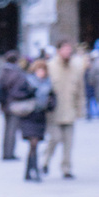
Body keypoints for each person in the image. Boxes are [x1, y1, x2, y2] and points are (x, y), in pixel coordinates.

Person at [44, 40, 86, 178]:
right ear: (58, 50)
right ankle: (45, 161)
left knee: (69, 142)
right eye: (65, 49)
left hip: (70, 110)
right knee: (54, 138)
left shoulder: (77, 67)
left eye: (69, 49)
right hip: (53, 111)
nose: (67, 52)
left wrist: (80, 109)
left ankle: (66, 168)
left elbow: (80, 90)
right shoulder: (50, 66)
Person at [10, 59, 56, 181]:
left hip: (40, 116)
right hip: (28, 116)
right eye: (39, 70)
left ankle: (28, 171)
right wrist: (30, 93)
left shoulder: (48, 83)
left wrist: (51, 104)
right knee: (33, 143)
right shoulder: (27, 81)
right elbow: (16, 94)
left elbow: (52, 98)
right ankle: (35, 170)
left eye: (43, 70)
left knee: (34, 145)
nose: (41, 73)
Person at [0, 51, 27, 160]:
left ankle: (5, 152)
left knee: (7, 129)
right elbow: (19, 89)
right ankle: (9, 153)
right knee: (12, 130)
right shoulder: (16, 73)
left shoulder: (3, 71)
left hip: (4, 105)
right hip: (14, 104)